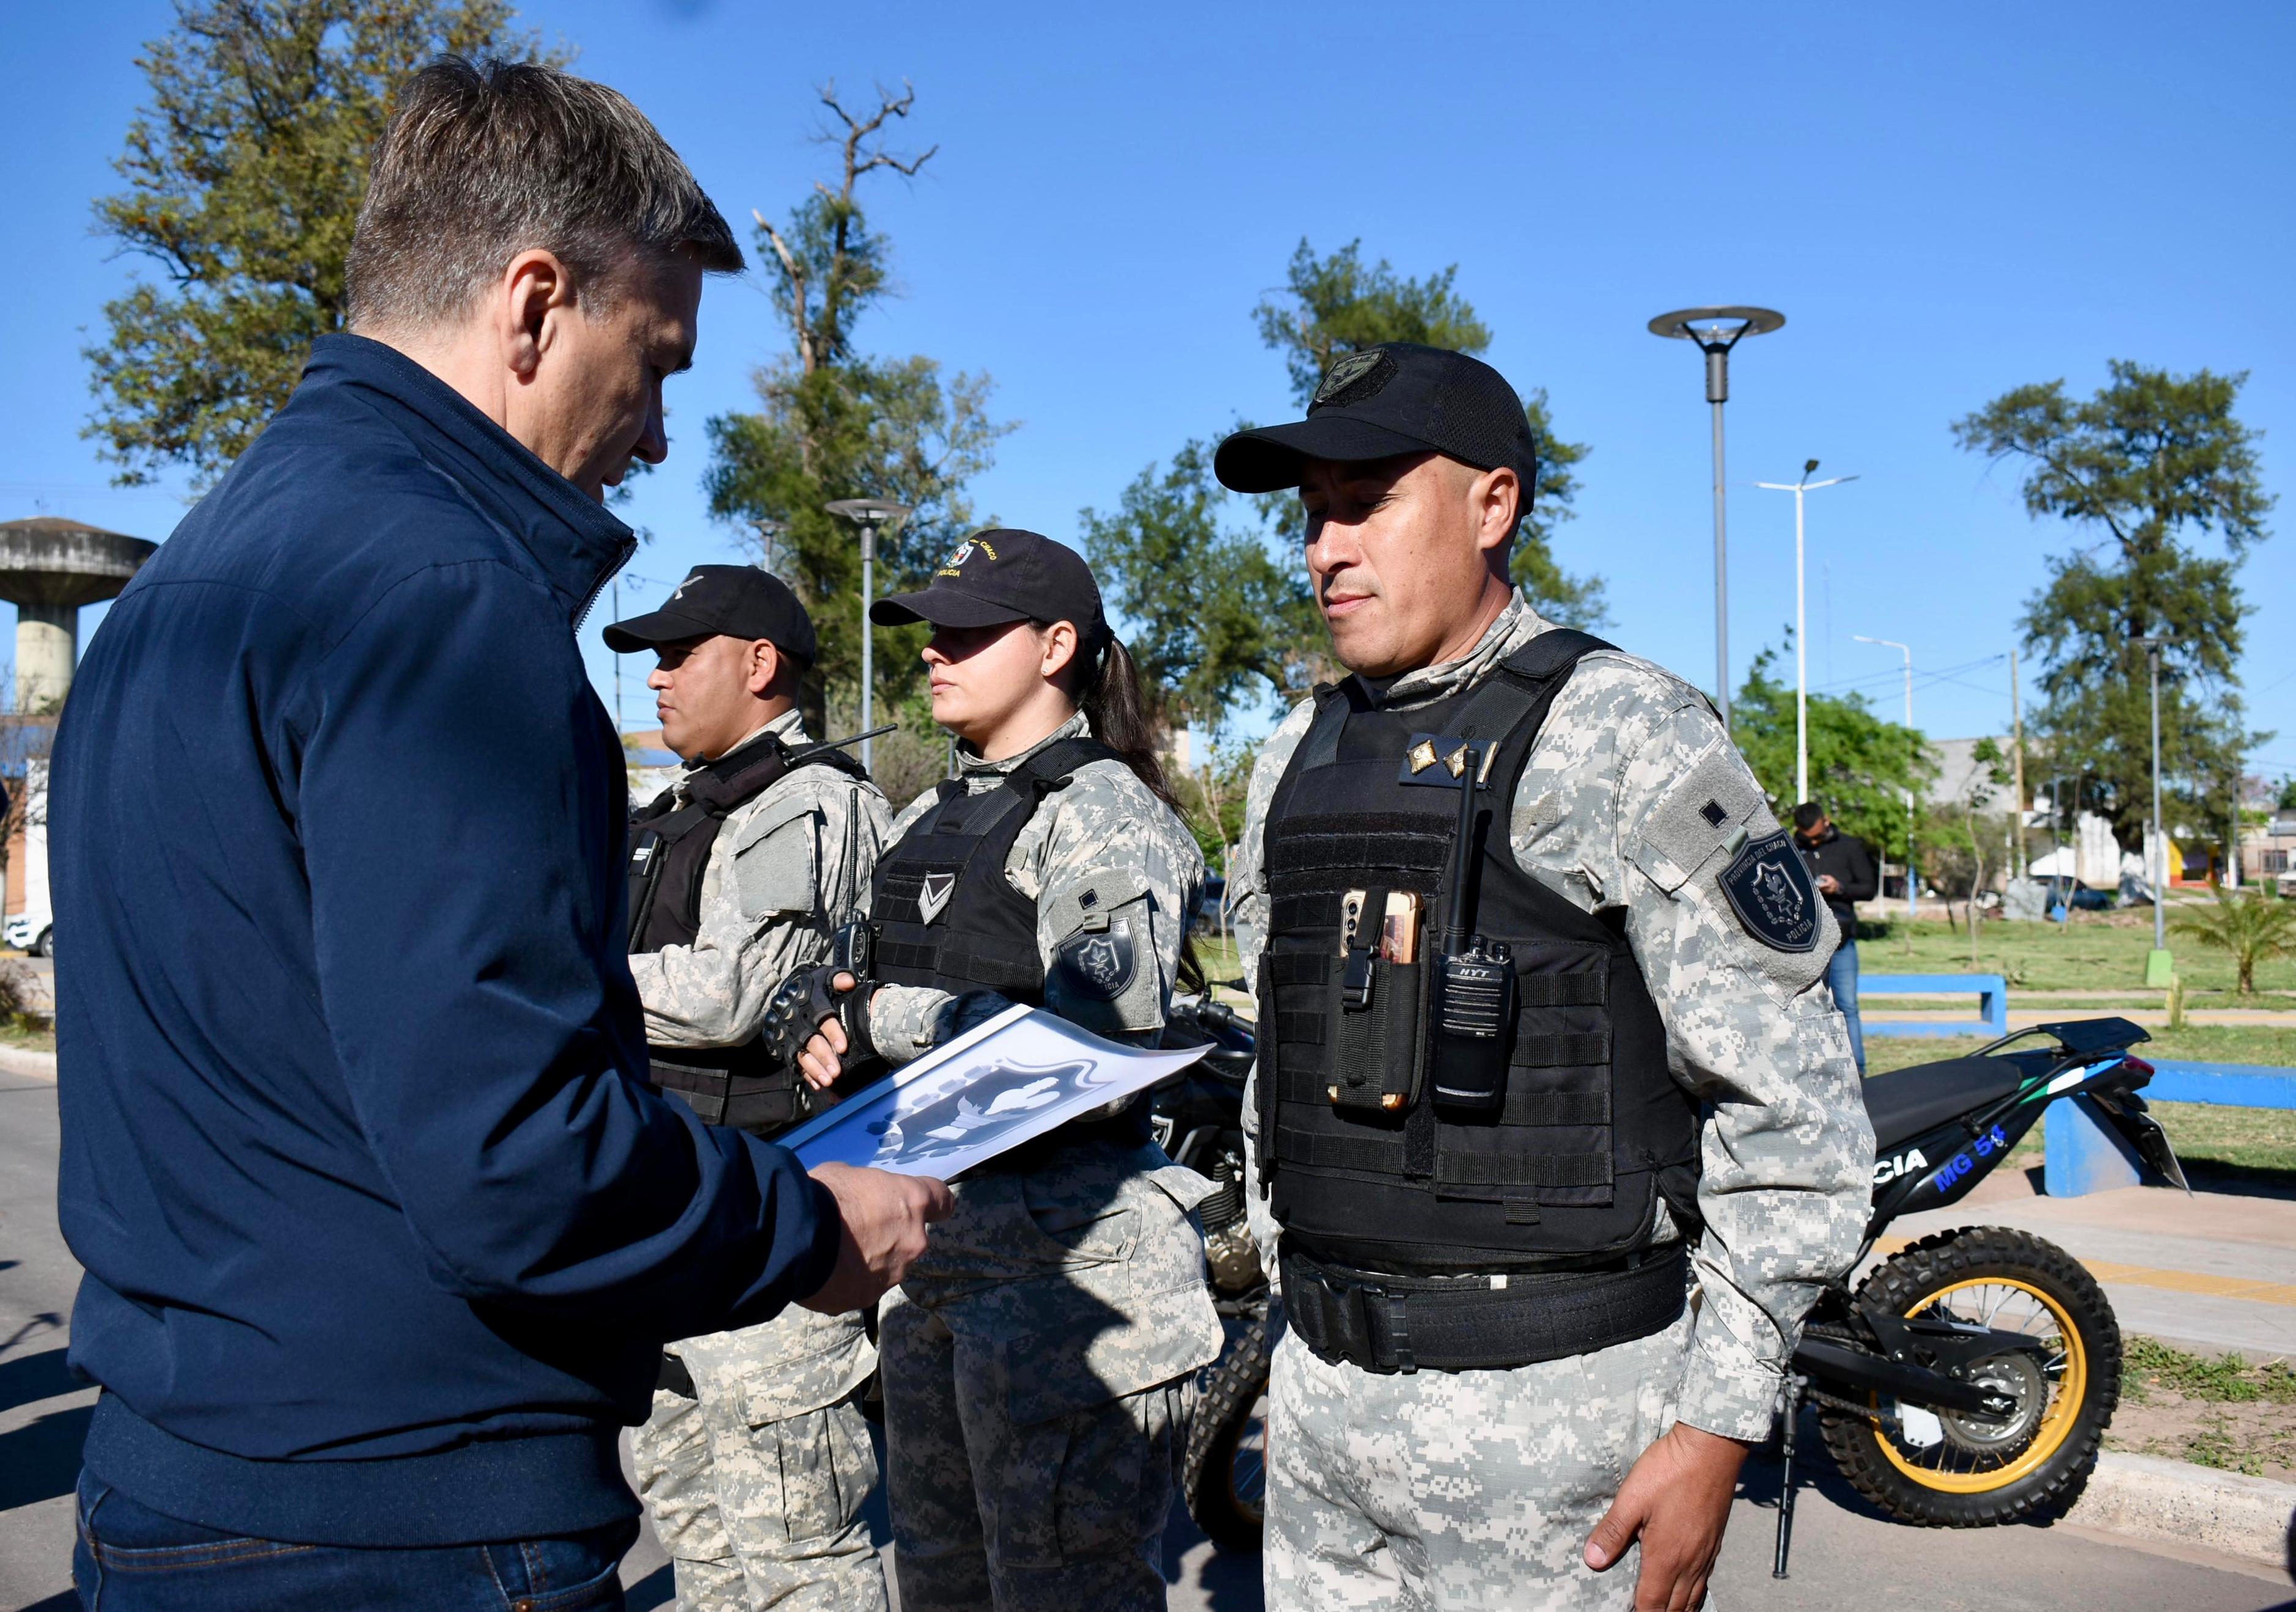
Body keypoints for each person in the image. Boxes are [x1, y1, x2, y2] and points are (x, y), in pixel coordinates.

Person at [51, 59, 947, 1611]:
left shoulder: (195, 580)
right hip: (400, 1519)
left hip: (179, 1472)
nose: (658, 431)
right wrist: (800, 1221)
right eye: (653, 358)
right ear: (534, 304)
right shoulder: (446, 596)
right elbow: (516, 1156)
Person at [1217, 343, 1874, 1612]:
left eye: (1365, 505)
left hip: (1557, 1427)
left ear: (1494, 504)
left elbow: (1792, 1109)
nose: (1323, 550)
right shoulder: (1293, 754)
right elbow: (1280, 1063)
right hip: (1317, 1420)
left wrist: (1717, 1426)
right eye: (1311, 515)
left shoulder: (1621, 731)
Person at [779, 530, 1223, 1612]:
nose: (936, 651)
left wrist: (886, 1018)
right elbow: (854, 990)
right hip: (934, 1264)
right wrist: (820, 1031)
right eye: (932, 631)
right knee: (943, 1588)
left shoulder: (1103, 815)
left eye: (969, 631)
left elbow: (1100, 1047)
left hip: (1064, 1280)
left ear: (1056, 645)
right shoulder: (928, 816)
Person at [606, 567, 895, 1610]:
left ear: (759, 664)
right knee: (697, 1533)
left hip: (766, 1230)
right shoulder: (682, 806)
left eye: (679, 654)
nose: (657, 678)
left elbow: (737, 989)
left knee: (794, 1555)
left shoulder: (806, 799)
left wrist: (562, 977)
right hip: (675, 1215)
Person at [1793, 801, 1880, 1074]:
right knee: (1804, 1008)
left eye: (1818, 836)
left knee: (1847, 1006)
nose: (1814, 842)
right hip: (1804, 941)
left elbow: (1868, 889)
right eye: (1808, 838)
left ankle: (1858, 1070)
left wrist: (1839, 888)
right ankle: (1816, 1070)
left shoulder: (1850, 847)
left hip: (1842, 939)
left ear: (1827, 821)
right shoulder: (1790, 848)